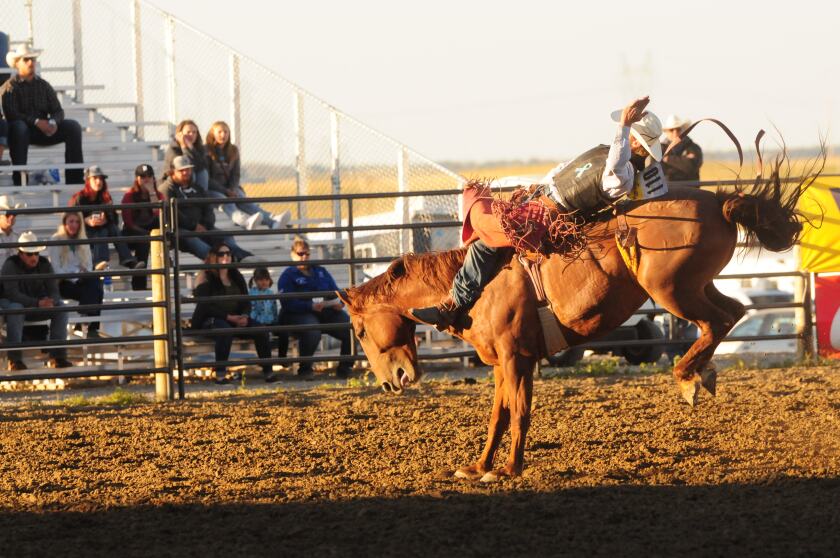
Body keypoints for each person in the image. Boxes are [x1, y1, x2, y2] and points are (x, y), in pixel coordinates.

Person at [410, 96, 664, 330]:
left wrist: (623, 126)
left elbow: (614, 165)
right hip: (540, 200)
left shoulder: (623, 175)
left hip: (549, 216)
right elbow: (565, 169)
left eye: (629, 133)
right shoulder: (607, 154)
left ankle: (451, 307)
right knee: (489, 221)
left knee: (484, 244)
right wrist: (539, 186)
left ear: (633, 140)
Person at [190, 243, 277, 385]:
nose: (226, 256)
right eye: (221, 254)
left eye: (228, 253)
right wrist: (229, 317)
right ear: (213, 257)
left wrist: (244, 315)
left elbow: (245, 300)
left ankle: (268, 372)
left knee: (261, 330)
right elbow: (205, 306)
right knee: (225, 330)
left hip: (236, 318)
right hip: (213, 319)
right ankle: (220, 374)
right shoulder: (206, 276)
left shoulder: (236, 275)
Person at [1, 44, 84, 186]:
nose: (30, 63)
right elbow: (11, 114)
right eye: (26, 59)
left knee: (73, 127)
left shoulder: (44, 85)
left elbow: (58, 111)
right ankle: (20, 178)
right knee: (19, 128)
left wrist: (53, 122)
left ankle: (75, 179)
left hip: (42, 130)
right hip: (21, 133)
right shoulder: (9, 87)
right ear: (17, 64)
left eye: (32, 59)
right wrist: (36, 121)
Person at [277, 238, 353, 378]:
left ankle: (345, 367)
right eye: (300, 254)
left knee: (351, 327)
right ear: (292, 255)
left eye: (307, 253)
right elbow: (287, 302)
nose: (304, 257)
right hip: (298, 313)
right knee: (312, 330)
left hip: (324, 310)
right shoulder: (288, 275)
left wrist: (339, 303)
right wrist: (309, 306)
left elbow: (334, 291)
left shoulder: (320, 271)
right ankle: (305, 369)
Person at [0, 231, 72, 370]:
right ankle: (14, 360)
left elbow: (54, 289)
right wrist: (38, 302)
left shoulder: (44, 264)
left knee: (61, 308)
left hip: (34, 304)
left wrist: (51, 300)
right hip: (15, 303)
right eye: (29, 254)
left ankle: (58, 356)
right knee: (16, 308)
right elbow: (12, 294)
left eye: (36, 254)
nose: (34, 257)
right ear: (20, 254)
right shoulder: (10, 265)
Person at [160, 156, 254, 261]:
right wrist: (194, 226)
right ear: (172, 171)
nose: (186, 172)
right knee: (195, 241)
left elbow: (208, 207)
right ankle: (217, 261)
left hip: (202, 227)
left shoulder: (197, 188)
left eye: (188, 169)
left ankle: (243, 257)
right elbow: (173, 213)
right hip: (180, 230)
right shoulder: (166, 189)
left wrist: (206, 225)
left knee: (225, 237)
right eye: (181, 170)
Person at [205, 121, 291, 230]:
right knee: (227, 202)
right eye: (220, 132)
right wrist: (225, 191)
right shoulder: (206, 151)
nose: (223, 135)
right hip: (214, 190)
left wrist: (232, 188)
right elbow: (208, 179)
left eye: (226, 132)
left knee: (242, 198)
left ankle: (273, 221)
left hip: (230, 189)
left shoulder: (233, 150)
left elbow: (236, 174)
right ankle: (245, 222)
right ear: (213, 133)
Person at [69, 165, 140, 269]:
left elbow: (115, 220)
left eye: (101, 178)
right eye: (95, 178)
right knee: (102, 231)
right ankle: (99, 262)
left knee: (113, 229)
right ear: (88, 181)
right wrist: (86, 221)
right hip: (83, 232)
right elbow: (70, 221)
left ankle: (128, 260)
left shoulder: (105, 197)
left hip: (102, 232)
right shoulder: (79, 198)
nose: (99, 181)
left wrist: (106, 219)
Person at [48, 212, 104, 338]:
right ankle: (91, 326)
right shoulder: (55, 239)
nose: (74, 225)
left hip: (82, 281)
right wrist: (74, 274)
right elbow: (56, 269)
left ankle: (84, 318)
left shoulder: (83, 240)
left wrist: (84, 272)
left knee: (95, 283)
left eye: (77, 222)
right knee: (97, 289)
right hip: (63, 282)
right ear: (64, 224)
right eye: (71, 222)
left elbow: (89, 265)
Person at [121, 163, 162, 290]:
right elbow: (128, 222)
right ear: (137, 179)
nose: (146, 179)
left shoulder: (157, 195)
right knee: (144, 242)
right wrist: (145, 234)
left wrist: (151, 193)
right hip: (132, 232)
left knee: (159, 222)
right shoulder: (129, 196)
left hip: (150, 231)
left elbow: (158, 212)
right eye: (143, 176)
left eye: (149, 176)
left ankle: (141, 285)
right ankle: (139, 286)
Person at [163, 119, 210, 191]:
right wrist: (184, 146)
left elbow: (202, 166)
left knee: (203, 173)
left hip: (196, 187)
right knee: (192, 175)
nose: (191, 135)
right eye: (188, 132)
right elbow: (185, 167)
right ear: (180, 134)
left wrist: (191, 147)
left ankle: (202, 198)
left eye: (194, 132)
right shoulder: (173, 149)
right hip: (176, 188)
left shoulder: (198, 148)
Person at [660, 114, 703, 182]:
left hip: (691, 190)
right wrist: (683, 161)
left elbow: (691, 167)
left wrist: (668, 159)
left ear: (683, 130)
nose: (675, 132)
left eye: (678, 129)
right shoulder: (660, 148)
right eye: (671, 130)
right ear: (666, 132)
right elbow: (660, 170)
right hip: (669, 190)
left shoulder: (693, 147)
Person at [0, 194, 24, 261]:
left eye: (14, 214)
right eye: (7, 214)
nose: (12, 217)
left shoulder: (21, 236)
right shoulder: (20, 236)